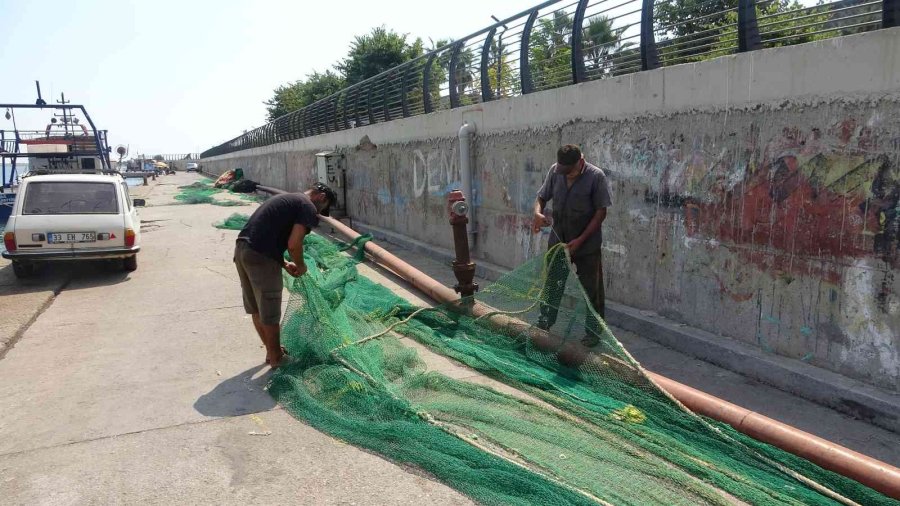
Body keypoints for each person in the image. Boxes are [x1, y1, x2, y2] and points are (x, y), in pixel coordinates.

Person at [234, 182, 337, 367]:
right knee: (270, 309)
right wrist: (301, 265)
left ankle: (271, 352)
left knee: (257, 308)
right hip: (260, 256)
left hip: (243, 251)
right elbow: (294, 244)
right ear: (321, 197)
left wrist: (283, 263)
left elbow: (266, 234)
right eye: (323, 208)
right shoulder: (307, 206)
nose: (319, 212)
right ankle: (277, 359)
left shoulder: (289, 198)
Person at [532, 144, 613, 346]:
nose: (566, 175)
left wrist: (581, 240)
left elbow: (601, 212)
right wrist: (537, 213)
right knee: (553, 283)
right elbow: (541, 197)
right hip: (559, 240)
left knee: (591, 290)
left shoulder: (596, 177)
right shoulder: (555, 171)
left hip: (587, 244)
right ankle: (545, 321)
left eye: (570, 171)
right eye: (563, 171)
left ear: (580, 163)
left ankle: (593, 333)